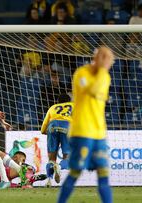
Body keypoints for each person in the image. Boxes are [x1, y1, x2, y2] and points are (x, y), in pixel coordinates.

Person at [57, 46, 114, 203]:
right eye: (105, 59)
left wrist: (103, 71)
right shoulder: (81, 73)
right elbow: (94, 91)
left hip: (99, 133)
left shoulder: (105, 76)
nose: (107, 63)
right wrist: (103, 69)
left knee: (104, 174)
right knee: (75, 172)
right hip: (81, 131)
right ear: (96, 58)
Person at [41, 93, 72, 187]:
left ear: (58, 102)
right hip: (67, 126)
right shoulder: (73, 106)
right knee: (67, 157)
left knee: (51, 158)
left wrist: (45, 132)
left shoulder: (52, 107)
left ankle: (49, 180)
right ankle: (59, 166)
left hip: (52, 126)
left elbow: (44, 126)